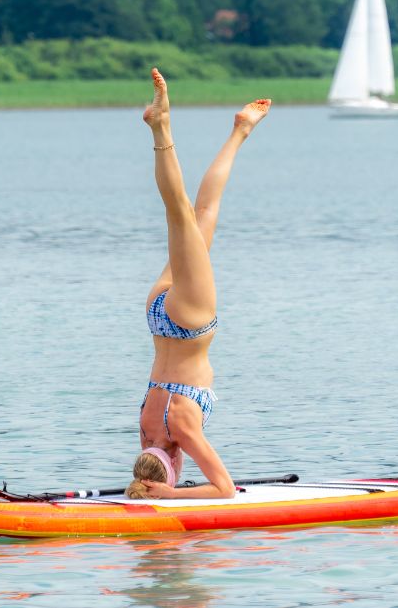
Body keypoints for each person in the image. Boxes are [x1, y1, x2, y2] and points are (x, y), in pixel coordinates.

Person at [126, 68, 270, 500]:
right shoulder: (147, 431)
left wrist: (171, 497)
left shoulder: (181, 431)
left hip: (188, 322)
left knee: (181, 214)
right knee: (202, 216)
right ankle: (240, 131)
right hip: (158, 316)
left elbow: (224, 490)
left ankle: (161, 126)